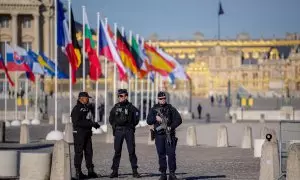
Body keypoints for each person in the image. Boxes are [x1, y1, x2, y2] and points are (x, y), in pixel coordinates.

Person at [147, 91, 182, 180]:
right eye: (161, 98)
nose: (162, 100)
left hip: (169, 134)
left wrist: (171, 127)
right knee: (161, 154)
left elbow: (179, 119)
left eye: (164, 98)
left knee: (171, 154)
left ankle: (172, 174)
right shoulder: (154, 109)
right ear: (158, 99)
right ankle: (163, 174)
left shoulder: (170, 108)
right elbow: (148, 120)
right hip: (159, 136)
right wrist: (155, 118)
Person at [109, 89, 141, 178]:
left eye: (122, 96)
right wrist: (115, 126)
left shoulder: (131, 107)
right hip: (119, 131)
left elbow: (137, 115)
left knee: (131, 151)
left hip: (128, 131)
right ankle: (114, 171)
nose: (121, 97)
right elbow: (111, 118)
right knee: (117, 151)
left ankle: (135, 171)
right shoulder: (115, 107)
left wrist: (132, 125)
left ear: (126, 96)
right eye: (119, 96)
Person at [71, 91, 100, 180]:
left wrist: (93, 124)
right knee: (79, 153)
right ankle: (78, 172)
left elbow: (87, 119)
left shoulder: (86, 108)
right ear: (81, 99)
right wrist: (91, 124)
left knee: (89, 152)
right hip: (79, 134)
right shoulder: (76, 108)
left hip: (87, 133)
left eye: (88, 98)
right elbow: (77, 122)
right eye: (87, 98)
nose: (88, 99)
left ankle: (90, 171)